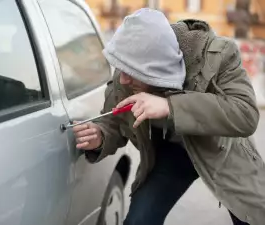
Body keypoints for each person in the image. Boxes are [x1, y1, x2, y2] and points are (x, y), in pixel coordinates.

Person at [73, 8, 265, 225]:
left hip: (222, 151)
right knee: (139, 221)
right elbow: (115, 121)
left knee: (255, 218)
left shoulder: (220, 54)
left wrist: (170, 105)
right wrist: (101, 135)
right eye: (121, 69)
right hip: (171, 156)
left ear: (156, 67)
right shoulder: (128, 67)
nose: (123, 79)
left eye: (131, 72)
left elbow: (245, 113)